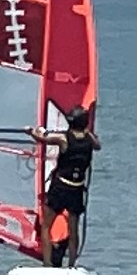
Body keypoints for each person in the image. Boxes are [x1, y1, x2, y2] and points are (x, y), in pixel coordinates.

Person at [38, 103, 99, 266]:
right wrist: (87, 132)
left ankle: (47, 264)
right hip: (76, 189)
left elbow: (41, 139)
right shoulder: (90, 139)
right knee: (73, 229)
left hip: (60, 187)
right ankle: (72, 264)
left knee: (46, 226)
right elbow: (98, 146)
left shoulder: (63, 139)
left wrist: (33, 132)